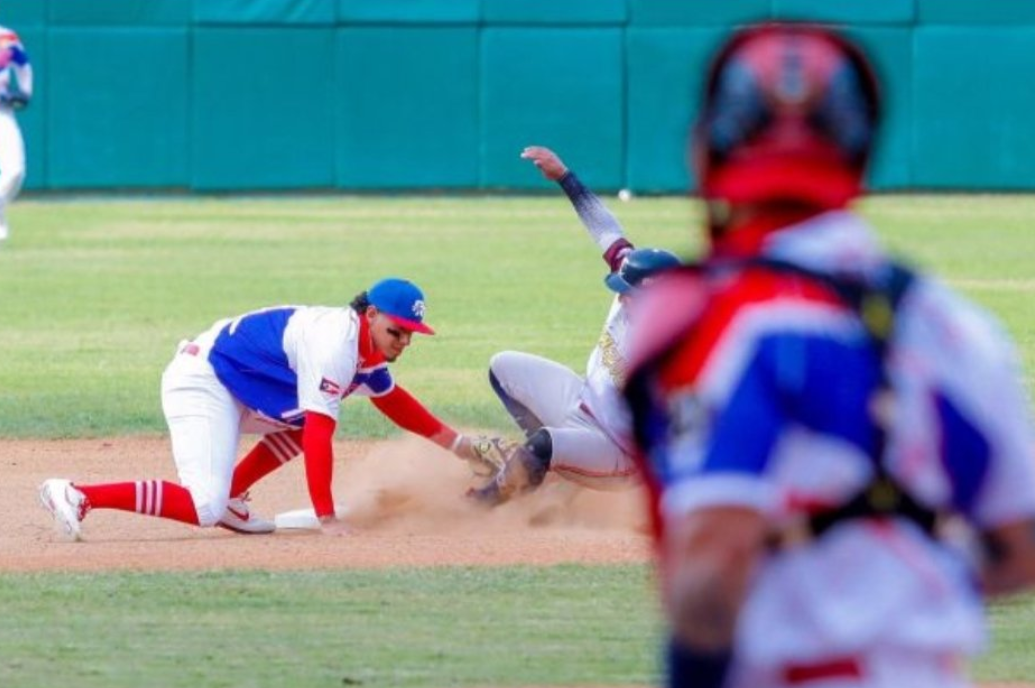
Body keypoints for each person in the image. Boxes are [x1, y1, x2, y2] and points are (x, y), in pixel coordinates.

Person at [622, 23, 1035, 688]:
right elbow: (1018, 549)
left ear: (710, 148)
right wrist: (892, 583)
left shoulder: (720, 315)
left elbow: (710, 565)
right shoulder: (953, 323)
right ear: (860, 152)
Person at [39, 277, 510, 540]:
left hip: (243, 390)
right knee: (203, 506)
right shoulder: (335, 345)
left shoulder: (366, 350)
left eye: (410, 334)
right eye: (397, 331)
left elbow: (397, 404)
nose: (404, 341)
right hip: (204, 382)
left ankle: (234, 499)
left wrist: (462, 447)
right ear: (370, 315)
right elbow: (320, 435)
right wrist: (327, 517)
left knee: (306, 416)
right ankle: (79, 494)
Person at [469, 145, 679, 507]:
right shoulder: (631, 279)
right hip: (580, 402)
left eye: (628, 292)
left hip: (615, 451)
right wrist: (565, 177)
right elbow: (604, 227)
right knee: (503, 366)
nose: (621, 295)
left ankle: (478, 507)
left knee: (544, 446)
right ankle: (540, 472)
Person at [0, 24, 31, 243]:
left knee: (16, 171)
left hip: (2, 113)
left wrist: (25, 91)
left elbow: (23, 64)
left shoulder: (6, 37)